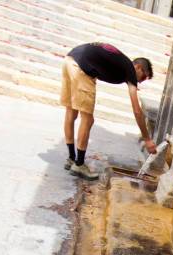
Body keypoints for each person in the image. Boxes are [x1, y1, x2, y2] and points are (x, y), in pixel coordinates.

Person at [60, 42, 157, 180]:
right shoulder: (129, 68)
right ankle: (79, 164)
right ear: (138, 67)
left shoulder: (121, 62)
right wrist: (147, 139)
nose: (140, 82)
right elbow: (137, 110)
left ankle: (71, 158)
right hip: (81, 68)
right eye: (143, 77)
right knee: (88, 119)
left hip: (69, 60)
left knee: (71, 113)